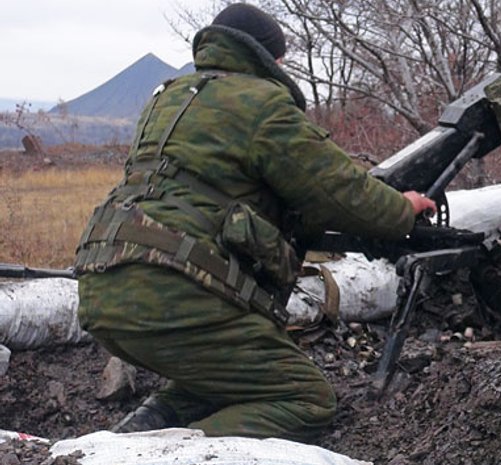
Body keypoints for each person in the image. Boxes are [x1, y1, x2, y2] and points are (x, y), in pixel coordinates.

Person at [73, 3, 435, 443]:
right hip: (172, 295)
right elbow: (341, 192)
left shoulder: (168, 98)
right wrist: (402, 208)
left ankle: (130, 440)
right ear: (271, 58)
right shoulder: (263, 104)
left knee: (214, 382)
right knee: (306, 399)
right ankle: (173, 455)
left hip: (101, 287)